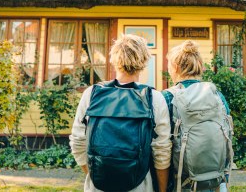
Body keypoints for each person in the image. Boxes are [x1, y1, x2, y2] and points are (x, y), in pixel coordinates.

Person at [70, 34, 172, 192]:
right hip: (139, 185)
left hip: (97, 186)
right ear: (144, 61)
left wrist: (96, 174)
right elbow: (162, 151)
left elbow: (77, 141)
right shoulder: (154, 99)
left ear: (113, 60)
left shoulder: (92, 94)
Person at [163, 40, 232, 192]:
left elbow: (160, 144)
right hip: (214, 180)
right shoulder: (216, 95)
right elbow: (228, 134)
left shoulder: (168, 98)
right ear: (199, 66)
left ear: (175, 67)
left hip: (179, 183)